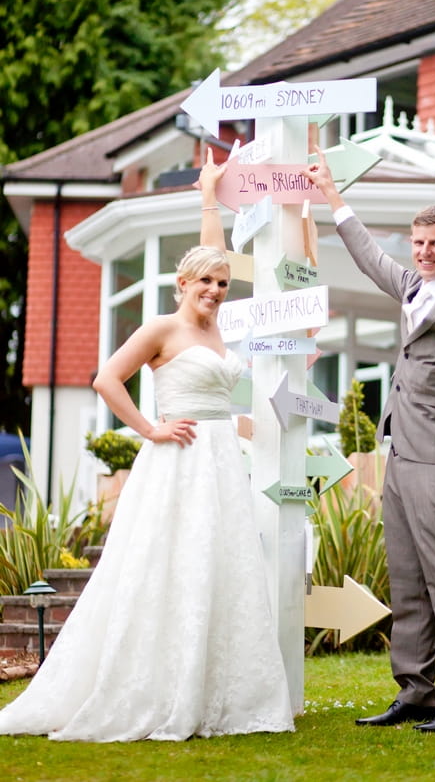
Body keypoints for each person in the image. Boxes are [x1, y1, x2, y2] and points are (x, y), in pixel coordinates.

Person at [0, 148, 294, 742]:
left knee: (217, 566)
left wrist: (210, 196)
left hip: (219, 464)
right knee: (164, 567)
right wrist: (152, 428)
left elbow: (213, 250)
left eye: (220, 282)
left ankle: (216, 690)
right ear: (181, 284)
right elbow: (106, 379)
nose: (213, 288)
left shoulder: (218, 326)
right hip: (176, 460)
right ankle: (152, 687)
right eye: (203, 282)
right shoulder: (162, 327)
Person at [303, 148, 435, 733]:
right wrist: (331, 197)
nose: (423, 252)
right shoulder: (411, 289)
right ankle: (414, 692)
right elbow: (370, 256)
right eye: (418, 243)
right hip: (400, 456)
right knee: (407, 580)